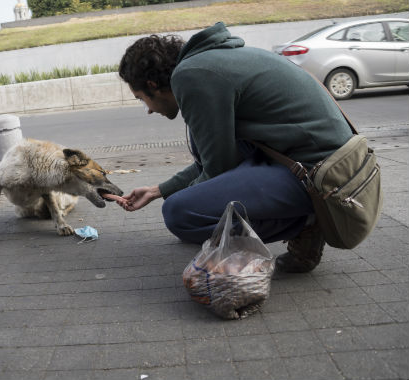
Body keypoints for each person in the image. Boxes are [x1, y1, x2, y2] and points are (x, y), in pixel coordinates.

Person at [116, 22, 353, 273]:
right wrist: (158, 190)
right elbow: (213, 161)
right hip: (312, 162)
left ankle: (306, 221)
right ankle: (299, 216)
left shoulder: (191, 76)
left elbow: (218, 169)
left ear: (153, 84)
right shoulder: (212, 61)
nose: (149, 110)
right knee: (186, 197)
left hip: (320, 175)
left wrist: (188, 201)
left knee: (180, 213)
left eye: (142, 99)